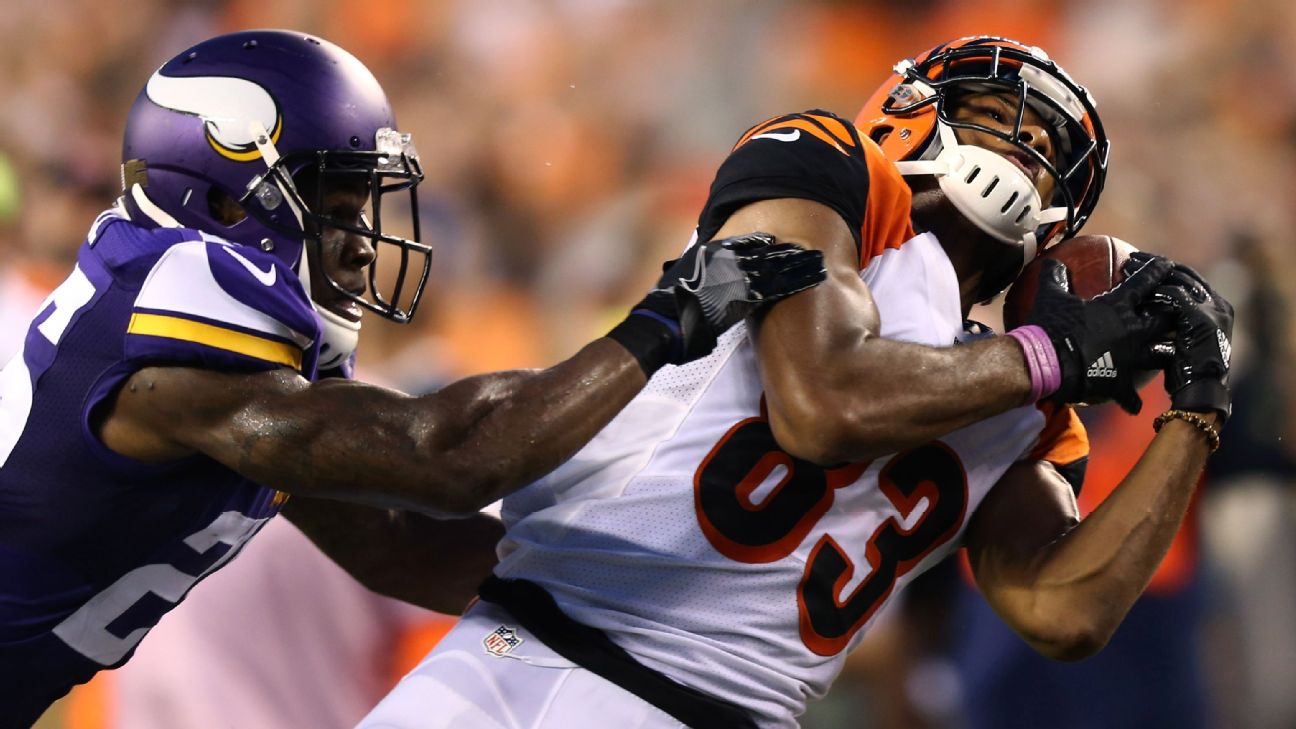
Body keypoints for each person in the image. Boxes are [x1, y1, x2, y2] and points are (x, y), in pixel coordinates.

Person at [356, 36, 1235, 729]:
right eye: (998, 114)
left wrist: (1197, 411)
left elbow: (1062, 610)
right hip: (538, 662)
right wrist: (1048, 359)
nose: (1026, 146)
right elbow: (823, 405)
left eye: (1046, 148)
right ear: (908, 111)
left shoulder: (1028, 411)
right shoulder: (834, 171)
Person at [0, 29, 827, 727]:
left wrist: (645, 616)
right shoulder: (173, 353)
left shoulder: (223, 378)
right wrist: (664, 322)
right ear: (224, 204)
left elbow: (395, 539)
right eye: (336, 205)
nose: (361, 242)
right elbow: (444, 457)